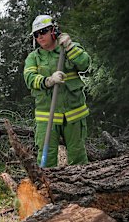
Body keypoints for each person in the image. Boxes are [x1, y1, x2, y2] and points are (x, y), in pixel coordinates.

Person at [23, 14, 90, 167]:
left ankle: (81, 188)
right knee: (46, 160)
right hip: (47, 116)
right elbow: (29, 78)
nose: (39, 36)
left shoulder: (68, 48)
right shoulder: (33, 58)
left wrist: (70, 47)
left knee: (78, 156)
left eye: (43, 31)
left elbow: (84, 64)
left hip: (74, 114)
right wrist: (48, 81)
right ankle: (46, 188)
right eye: (36, 34)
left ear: (53, 31)